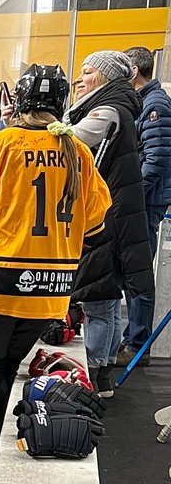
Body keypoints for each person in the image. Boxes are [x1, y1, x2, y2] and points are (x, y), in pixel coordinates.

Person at [0, 64, 112, 484]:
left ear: (19, 102)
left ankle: (9, 444)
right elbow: (96, 229)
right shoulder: (78, 152)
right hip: (50, 292)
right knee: (0, 369)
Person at [65, 50, 155, 395]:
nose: (80, 78)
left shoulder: (107, 111)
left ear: (104, 78)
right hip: (119, 212)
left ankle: (93, 375)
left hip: (106, 216)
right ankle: (102, 377)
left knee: (97, 300)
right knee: (108, 298)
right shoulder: (118, 106)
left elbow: (71, 143)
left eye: (87, 72)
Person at [118, 46, 171, 365]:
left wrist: (132, 195)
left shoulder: (155, 104)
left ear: (135, 70)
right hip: (143, 200)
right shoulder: (144, 102)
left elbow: (157, 159)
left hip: (145, 203)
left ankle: (138, 344)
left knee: (138, 274)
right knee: (131, 273)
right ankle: (133, 340)